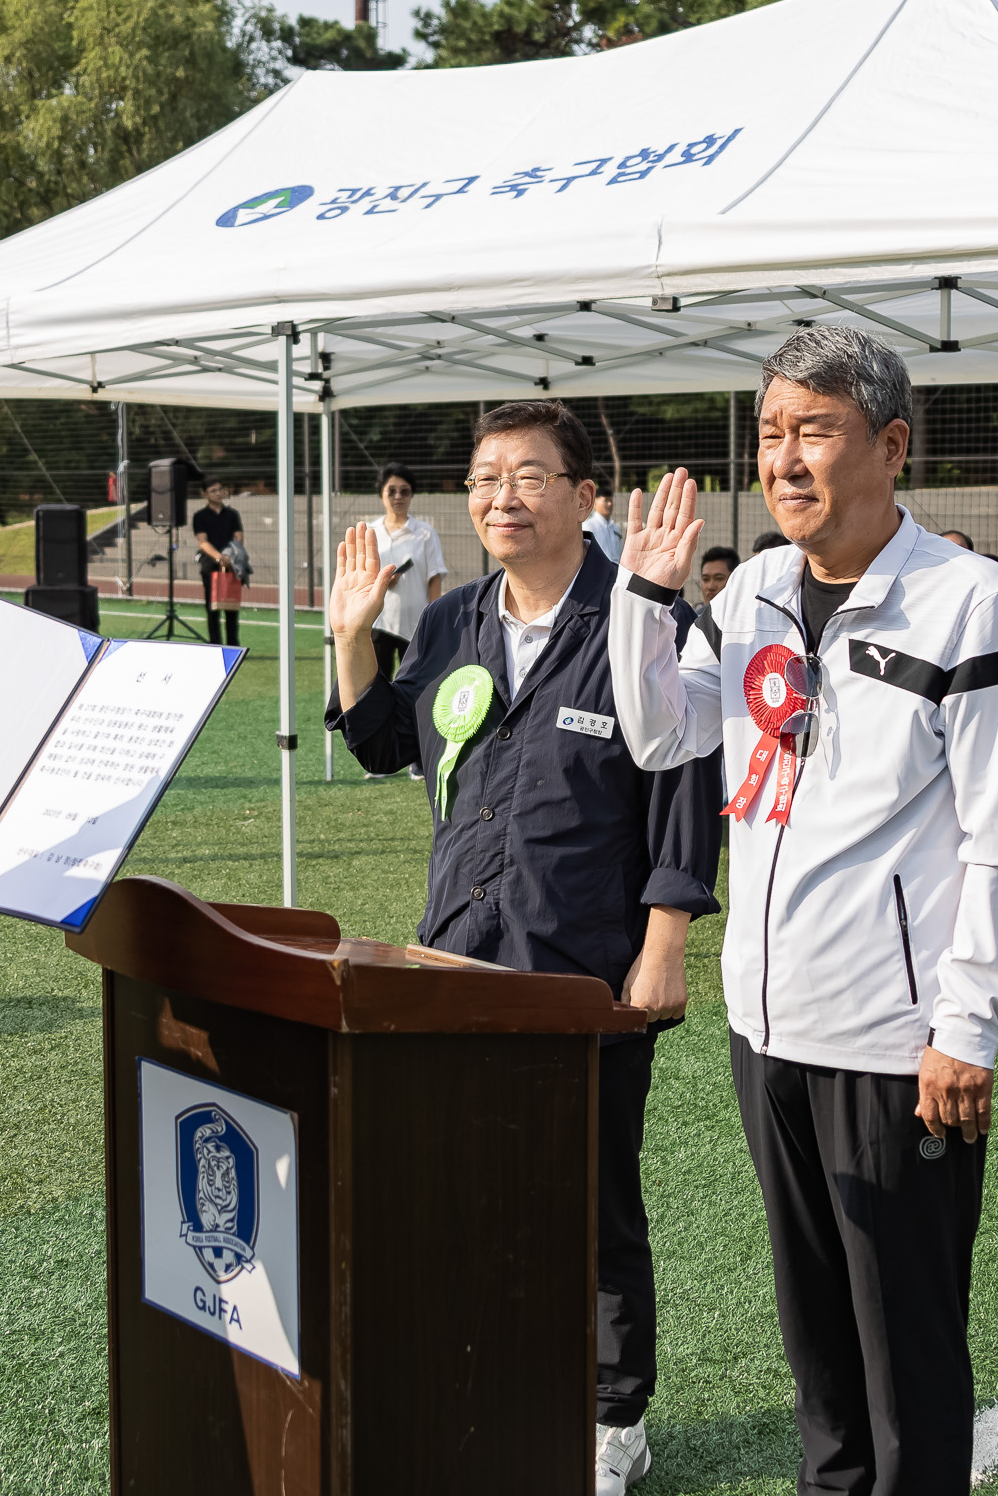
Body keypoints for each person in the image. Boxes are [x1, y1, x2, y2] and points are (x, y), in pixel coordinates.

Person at [611, 328, 998, 1494]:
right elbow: (667, 732)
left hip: (894, 1042)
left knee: (903, 1349)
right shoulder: (751, 586)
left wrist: (968, 1025)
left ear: (890, 445)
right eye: (769, 433)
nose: (784, 458)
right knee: (816, 1345)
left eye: (814, 430)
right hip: (770, 1031)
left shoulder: (968, 603)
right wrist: (643, 599)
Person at [326, 400, 722, 1496]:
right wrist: (353, 635)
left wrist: (665, 940)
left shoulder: (648, 619)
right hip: (455, 952)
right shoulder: (452, 620)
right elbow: (381, 743)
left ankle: (611, 1414)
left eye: (529, 475)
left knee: (589, 1194)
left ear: (587, 498)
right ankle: (493, 1375)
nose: (501, 494)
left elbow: (684, 792)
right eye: (486, 475)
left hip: (584, 964)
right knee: (464, 1183)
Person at [367, 462, 447, 680]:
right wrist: (382, 582)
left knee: (414, 685)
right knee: (376, 684)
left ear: (411, 494)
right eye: (391, 491)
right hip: (379, 621)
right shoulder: (370, 531)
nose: (398, 496)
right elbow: (364, 576)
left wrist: (431, 620)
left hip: (415, 625)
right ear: (381, 493)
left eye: (404, 491)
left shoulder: (425, 533)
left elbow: (435, 577)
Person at [190, 476, 244, 646]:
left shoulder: (232, 514)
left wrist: (230, 556)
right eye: (213, 491)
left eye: (220, 489)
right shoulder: (200, 516)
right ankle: (215, 644)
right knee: (212, 608)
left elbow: (238, 536)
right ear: (204, 494)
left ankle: (233, 645)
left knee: (231, 607)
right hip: (210, 566)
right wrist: (219, 557)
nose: (218, 493)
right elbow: (202, 541)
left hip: (232, 565)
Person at [584, 487, 625, 561]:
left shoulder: (616, 528)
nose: (609, 504)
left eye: (611, 500)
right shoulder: (589, 526)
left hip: (616, 570)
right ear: (595, 503)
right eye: (606, 500)